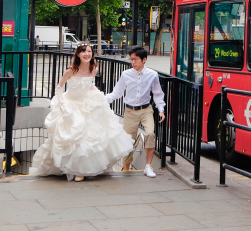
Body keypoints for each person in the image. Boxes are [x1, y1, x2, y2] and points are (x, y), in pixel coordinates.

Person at [30, 43, 133, 182]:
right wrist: (61, 102)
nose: (87, 54)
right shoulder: (71, 70)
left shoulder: (94, 69)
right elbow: (59, 87)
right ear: (78, 54)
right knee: (74, 133)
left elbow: (89, 84)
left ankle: (83, 170)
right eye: (83, 51)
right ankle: (76, 169)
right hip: (71, 103)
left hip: (87, 103)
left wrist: (98, 94)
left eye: (89, 51)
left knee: (90, 136)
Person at [106, 46, 165, 178]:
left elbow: (157, 94)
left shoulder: (152, 75)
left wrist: (161, 109)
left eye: (136, 59)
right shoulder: (126, 75)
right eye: (131, 59)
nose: (133, 62)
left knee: (150, 133)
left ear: (144, 60)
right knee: (128, 141)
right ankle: (126, 168)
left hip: (146, 110)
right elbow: (117, 92)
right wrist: (103, 100)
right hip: (130, 111)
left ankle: (148, 166)